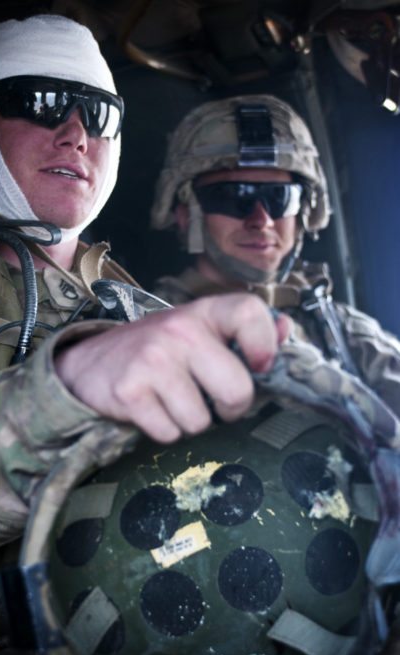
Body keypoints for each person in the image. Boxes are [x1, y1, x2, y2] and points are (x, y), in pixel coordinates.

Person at [0, 14, 289, 655]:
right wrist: (72, 386)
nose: (76, 132)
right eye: (40, 102)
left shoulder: (147, 309)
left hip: (156, 633)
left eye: (98, 114)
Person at [150, 94, 400, 415]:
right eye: (233, 197)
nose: (262, 220)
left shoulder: (342, 329)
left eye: (280, 199)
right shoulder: (148, 327)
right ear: (187, 215)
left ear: (303, 214)